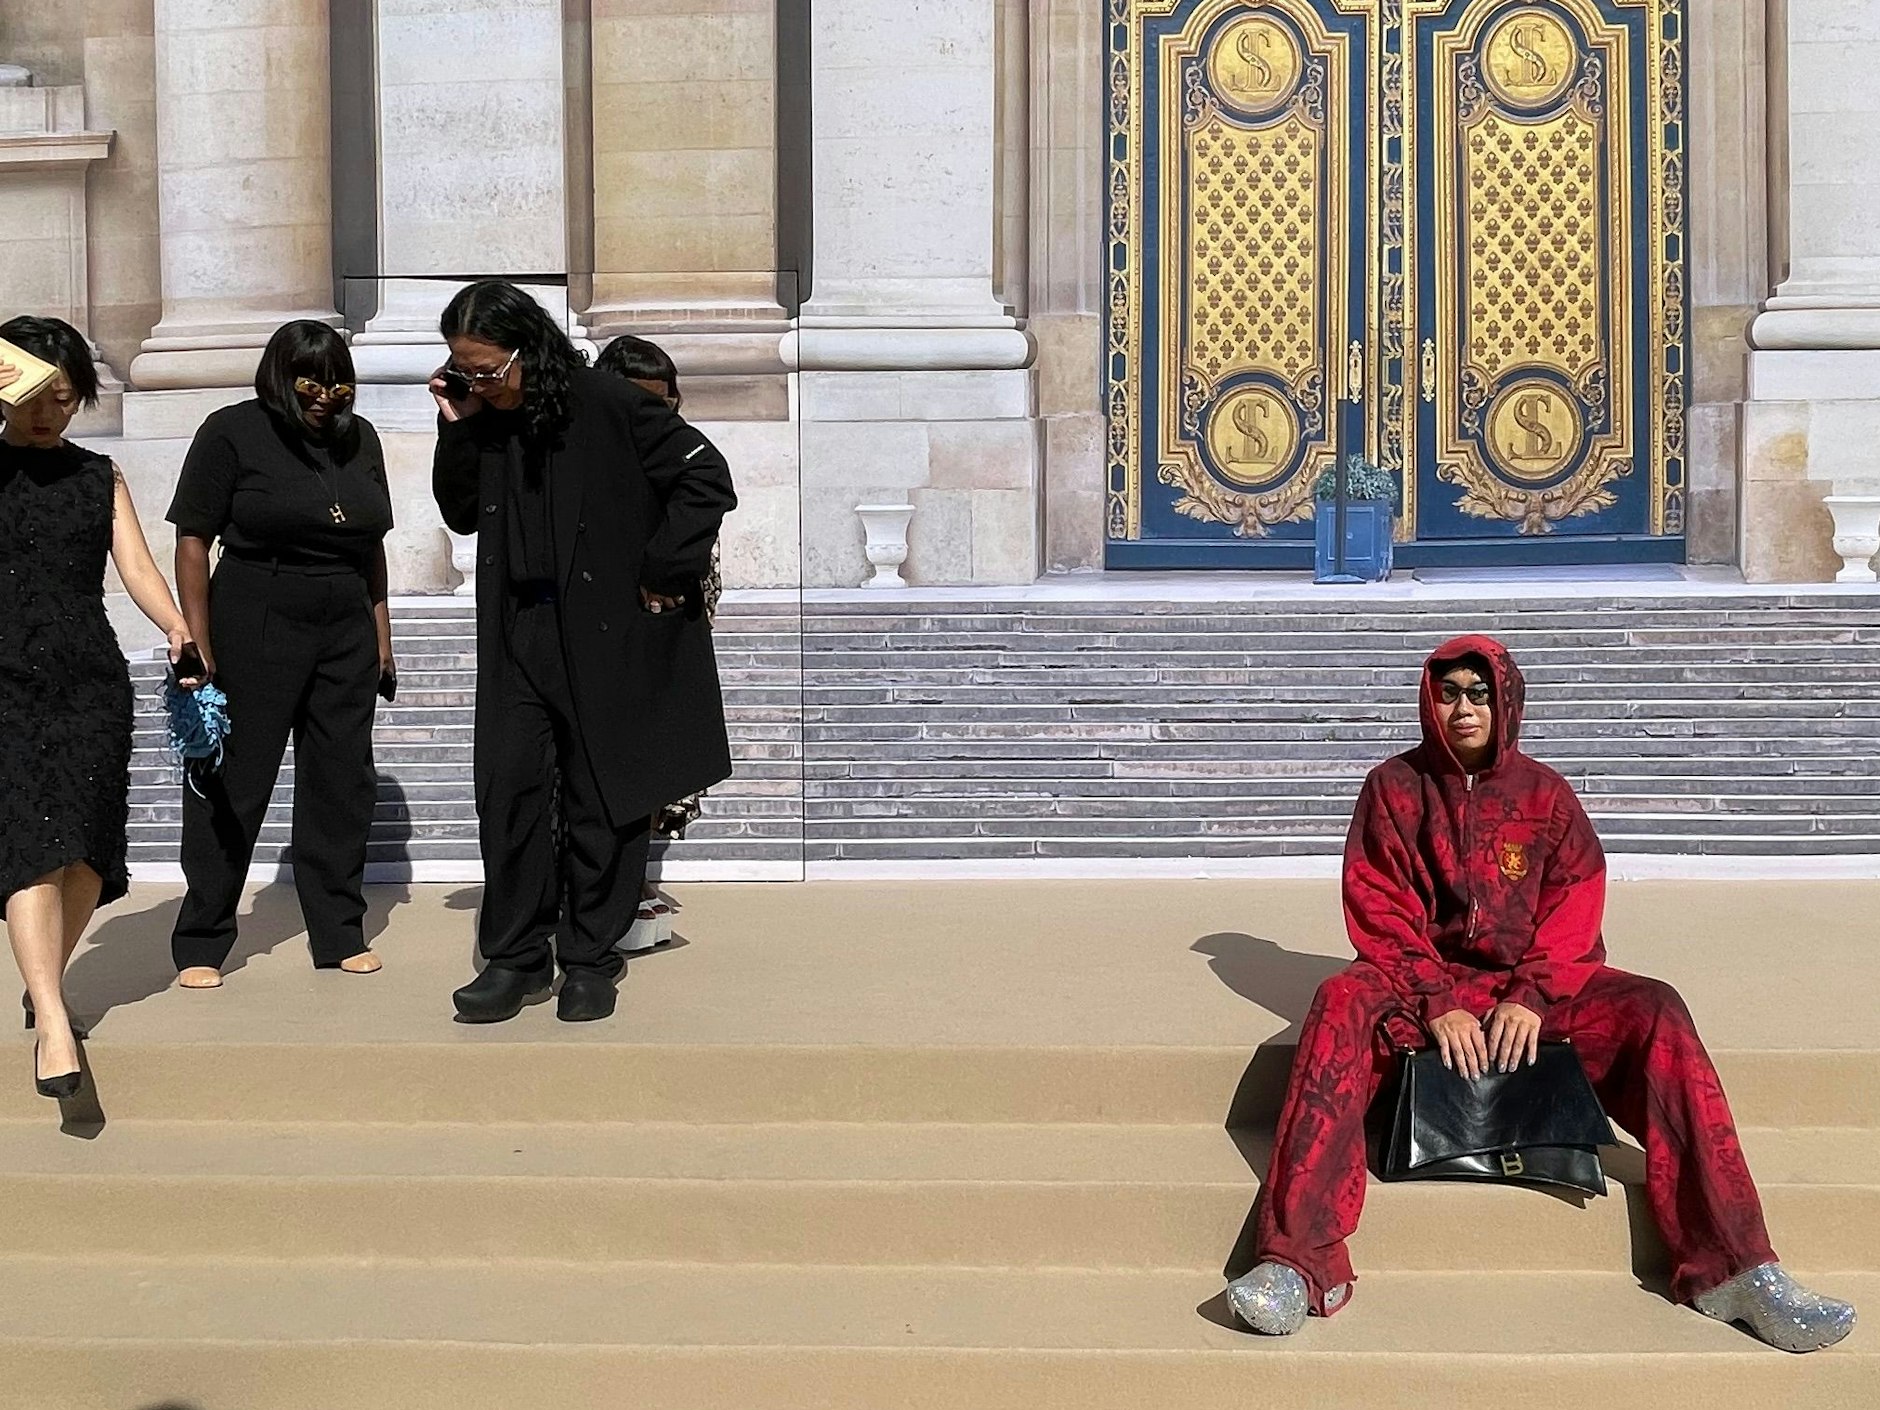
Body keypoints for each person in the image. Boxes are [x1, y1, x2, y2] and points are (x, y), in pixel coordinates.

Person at [1226, 636, 1858, 1354]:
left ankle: (1736, 1267)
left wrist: (1530, 994)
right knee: (1340, 1000)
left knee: (1655, 1009)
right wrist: (1438, 999)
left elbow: (1575, 901)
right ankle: (1296, 1263)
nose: (1462, 708)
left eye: (1478, 692)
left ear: (1506, 701)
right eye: (1448, 692)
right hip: (1418, 983)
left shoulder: (1546, 796)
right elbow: (1378, 902)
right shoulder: (1393, 788)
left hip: (1527, 991)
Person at [430, 281, 735, 1023]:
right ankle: (516, 959)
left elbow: (705, 477)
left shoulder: (610, 404)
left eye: (488, 370)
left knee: (604, 795)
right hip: (519, 633)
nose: (479, 383)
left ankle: (591, 958)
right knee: (511, 792)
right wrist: (458, 424)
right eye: (465, 370)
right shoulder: (487, 420)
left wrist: (665, 571)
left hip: (605, 635)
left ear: (528, 351)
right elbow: (461, 513)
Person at [0, 316, 203, 1097]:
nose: (48, 411)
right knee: (28, 846)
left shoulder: (98, 476)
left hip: (90, 681)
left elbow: (139, 570)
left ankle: (41, 979)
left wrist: (179, 625)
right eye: (31, 395)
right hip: (6, 683)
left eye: (63, 395)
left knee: (86, 852)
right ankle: (53, 1016)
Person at [165, 321, 395, 988]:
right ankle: (203, 938)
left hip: (344, 616)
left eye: (338, 380)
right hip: (255, 606)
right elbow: (192, 541)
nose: (327, 394)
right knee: (234, 781)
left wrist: (380, 636)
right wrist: (198, 641)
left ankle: (339, 931)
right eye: (311, 380)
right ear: (278, 376)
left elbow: (370, 542)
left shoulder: (362, 439)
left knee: (341, 781)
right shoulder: (230, 431)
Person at [592, 334, 723, 948]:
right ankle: (605, 890)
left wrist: (671, 580)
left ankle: (632, 881)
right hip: (605, 631)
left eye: (663, 406)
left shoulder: (680, 457)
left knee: (658, 757)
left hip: (671, 619)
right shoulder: (592, 459)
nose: (653, 420)